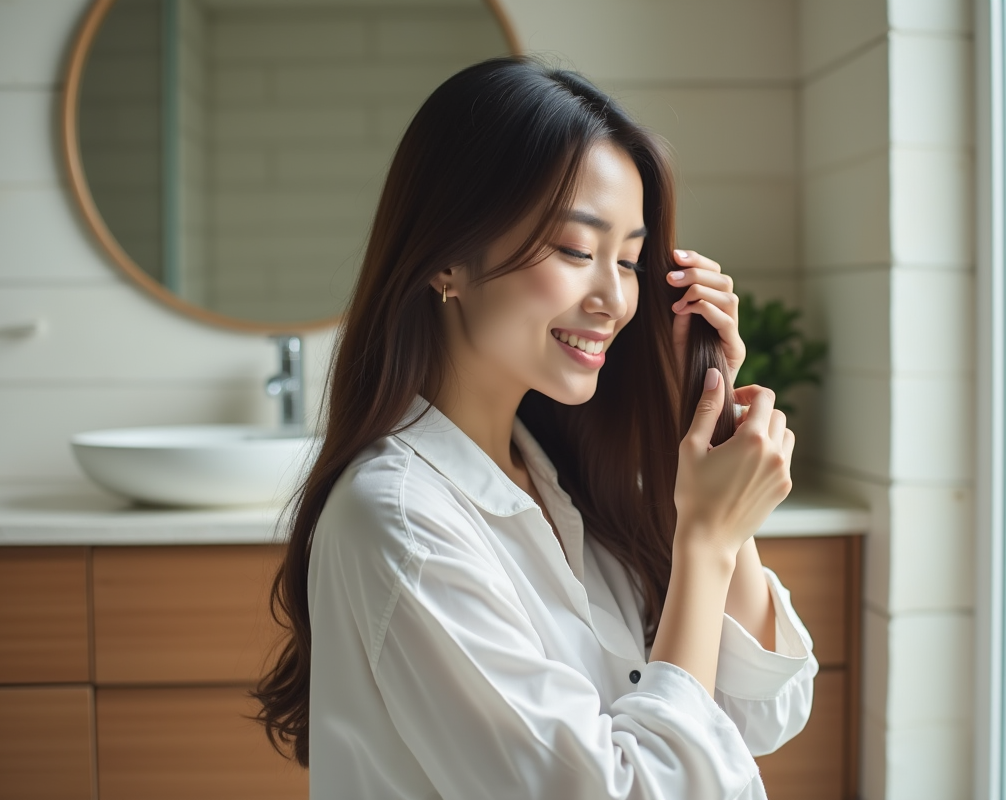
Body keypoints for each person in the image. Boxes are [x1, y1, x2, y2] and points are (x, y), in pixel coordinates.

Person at [254, 54, 819, 799]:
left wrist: (704, 430)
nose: (615, 299)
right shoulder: (400, 520)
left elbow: (759, 714)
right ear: (447, 256)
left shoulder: (566, 479)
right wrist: (706, 540)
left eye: (632, 260)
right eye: (577, 251)